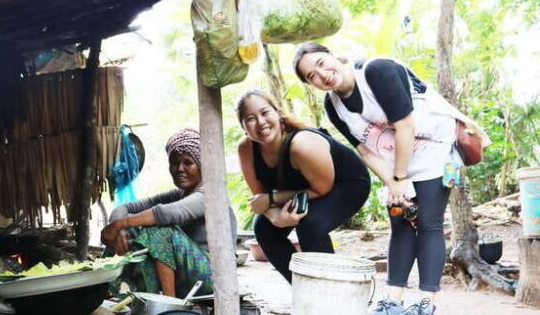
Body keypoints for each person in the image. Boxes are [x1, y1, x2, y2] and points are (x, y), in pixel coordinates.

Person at [293, 41, 472, 315]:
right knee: (399, 223)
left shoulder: (377, 71)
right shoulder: (333, 106)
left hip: (434, 149)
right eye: (312, 75)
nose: (322, 74)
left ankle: (426, 304)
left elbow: (405, 126)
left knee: (428, 224)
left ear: (335, 55)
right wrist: (392, 183)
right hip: (394, 159)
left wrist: (400, 178)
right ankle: (393, 300)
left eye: (322, 63)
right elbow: (365, 151)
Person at [235, 90, 370, 284]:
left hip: (345, 184)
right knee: (264, 228)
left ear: (277, 112)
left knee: (311, 225)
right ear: (243, 127)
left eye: (265, 113)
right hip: (302, 188)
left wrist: (273, 200)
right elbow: (260, 198)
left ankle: (331, 289)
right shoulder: (246, 148)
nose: (261, 122)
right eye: (250, 118)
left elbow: (321, 189)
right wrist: (276, 217)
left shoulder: (302, 145)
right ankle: (304, 289)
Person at [100, 128, 237, 299]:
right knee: (132, 232)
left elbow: (167, 214)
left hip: (214, 276)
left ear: (202, 165)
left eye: (188, 163)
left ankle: (169, 304)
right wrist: (119, 230)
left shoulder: (211, 193)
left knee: (160, 231)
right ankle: (112, 291)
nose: (180, 169)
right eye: (175, 163)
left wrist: (120, 224)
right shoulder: (179, 194)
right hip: (187, 275)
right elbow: (125, 208)